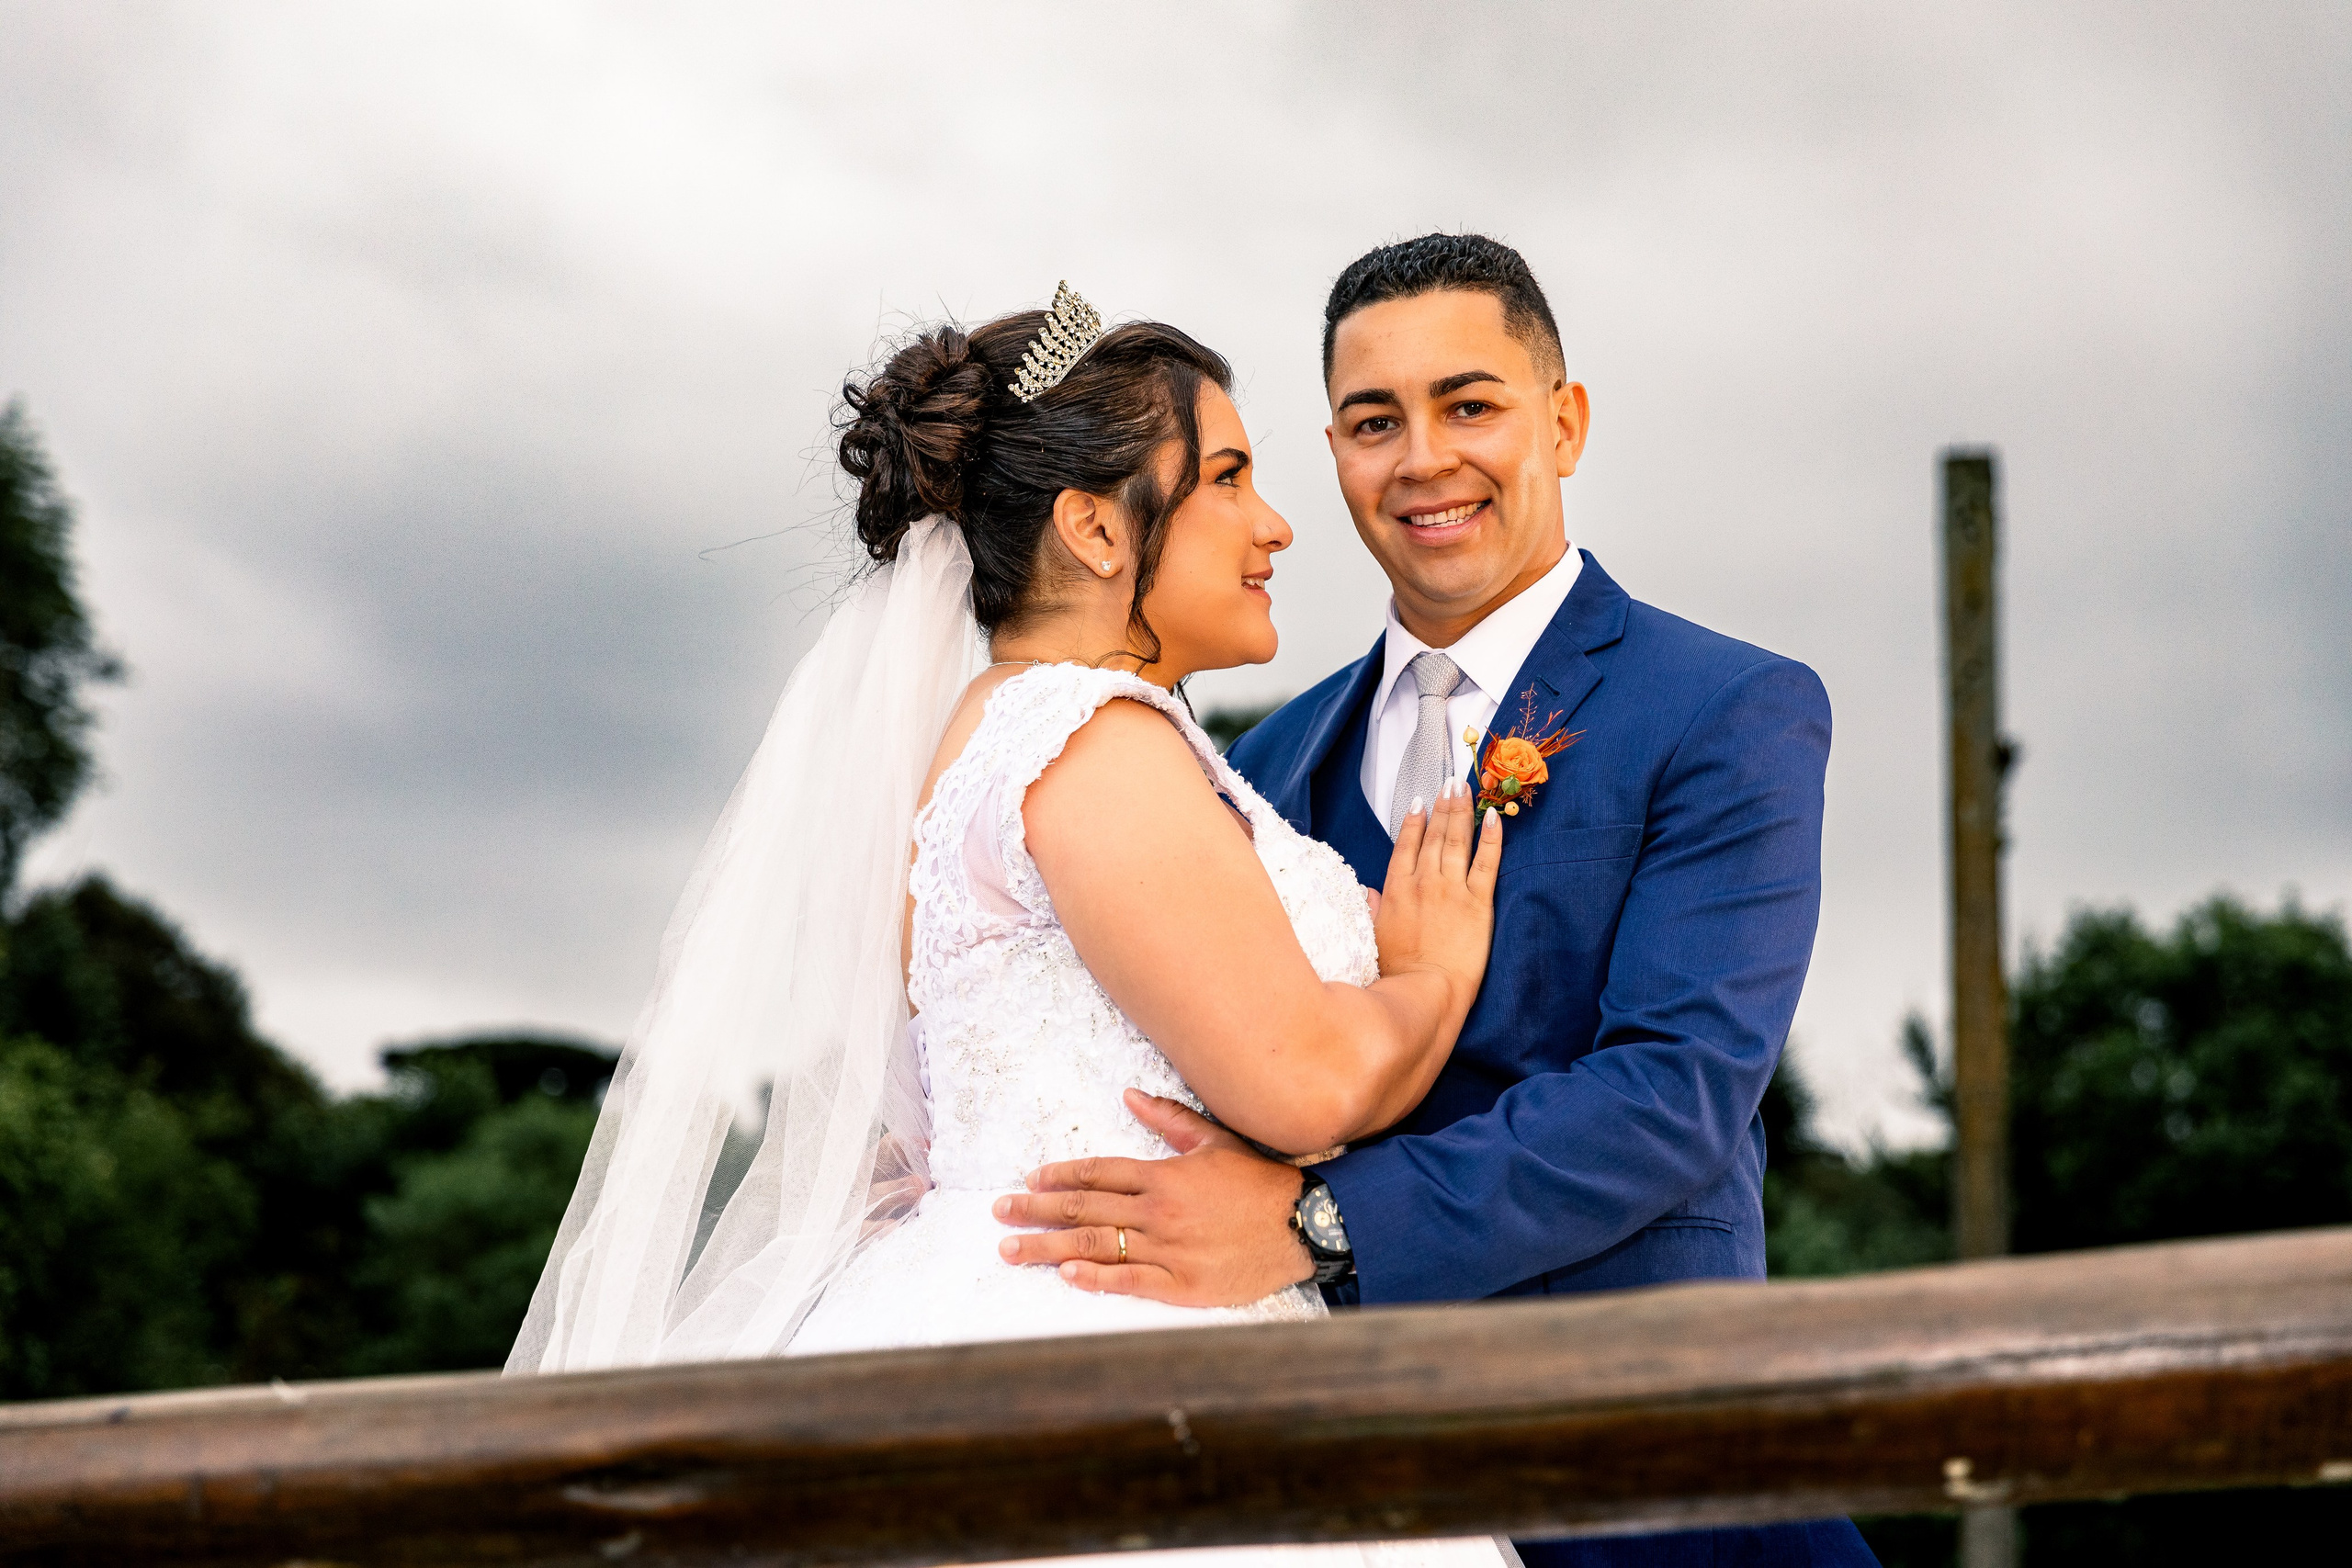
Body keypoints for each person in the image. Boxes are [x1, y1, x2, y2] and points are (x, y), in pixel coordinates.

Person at [510, 288, 1515, 1568]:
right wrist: (1427, 979)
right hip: (1124, 1352)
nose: (1275, 526)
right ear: (1097, 527)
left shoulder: (998, 740)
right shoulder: (1092, 744)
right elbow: (1306, 1084)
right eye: (1226, 479)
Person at [994, 238, 1880, 1567]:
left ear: (1564, 422)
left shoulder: (1725, 709)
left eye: (1470, 405)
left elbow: (1674, 1094)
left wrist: (1315, 1230)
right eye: (1371, 421)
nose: (1421, 459)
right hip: (1331, 1489)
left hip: (1636, 1475)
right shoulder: (1256, 761)